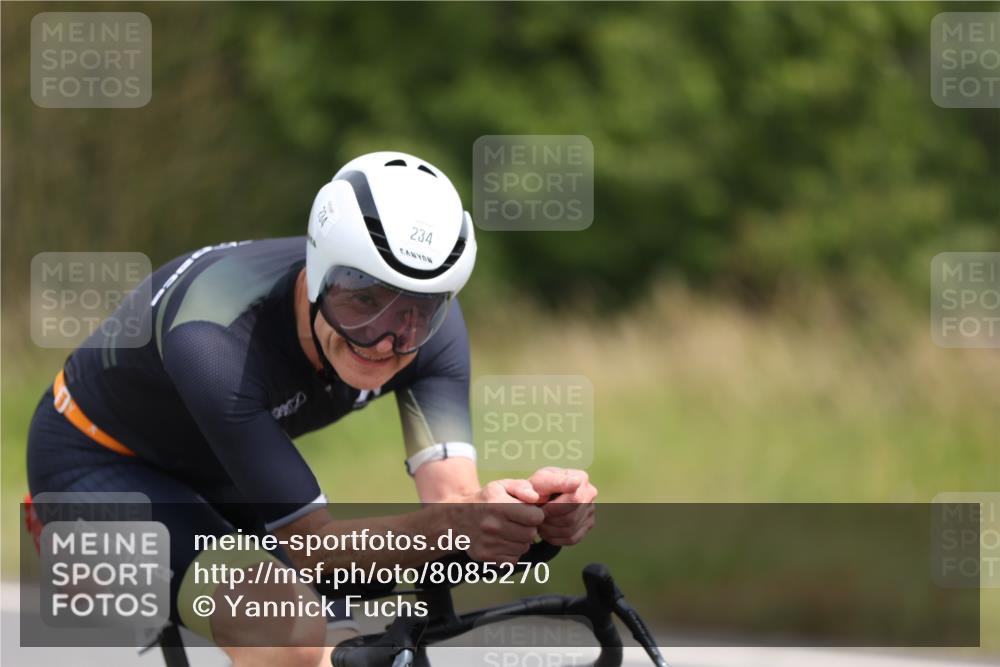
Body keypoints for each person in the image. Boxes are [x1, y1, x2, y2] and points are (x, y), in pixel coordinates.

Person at [26, 151, 598, 667]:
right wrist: (458, 526)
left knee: (350, 640)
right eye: (363, 301)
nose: (384, 341)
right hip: (94, 465)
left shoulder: (433, 335)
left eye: (415, 313)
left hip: (223, 468)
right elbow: (312, 546)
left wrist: (528, 518)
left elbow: (452, 507)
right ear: (319, 273)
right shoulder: (213, 338)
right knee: (288, 632)